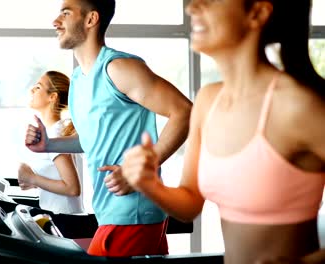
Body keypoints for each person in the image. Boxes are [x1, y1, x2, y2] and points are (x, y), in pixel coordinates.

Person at [122, 0, 325, 263]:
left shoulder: (299, 106)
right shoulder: (208, 100)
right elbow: (190, 203)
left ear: (257, 13)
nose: (192, 7)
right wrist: (150, 185)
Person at [25, 0, 192, 257]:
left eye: (66, 14)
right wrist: (50, 144)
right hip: (111, 213)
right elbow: (92, 139)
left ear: (91, 20)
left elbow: (184, 111)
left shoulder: (119, 68)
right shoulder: (79, 79)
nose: (55, 22)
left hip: (131, 213)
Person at [18, 71, 85, 214]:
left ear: (52, 97)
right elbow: (56, 177)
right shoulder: (52, 131)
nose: (32, 90)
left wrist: (33, 178)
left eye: (38, 87)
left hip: (66, 221)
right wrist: (34, 182)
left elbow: (72, 188)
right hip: (56, 216)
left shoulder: (55, 133)